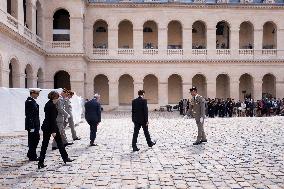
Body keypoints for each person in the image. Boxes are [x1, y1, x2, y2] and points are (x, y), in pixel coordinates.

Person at [38, 91, 73, 169]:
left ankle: (41, 162)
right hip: (50, 127)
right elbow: (52, 119)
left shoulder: (49, 104)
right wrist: (54, 131)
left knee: (48, 144)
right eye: (57, 97)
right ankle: (65, 158)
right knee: (52, 144)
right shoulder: (52, 106)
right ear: (54, 97)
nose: (58, 99)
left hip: (48, 126)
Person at [25, 88, 41, 161]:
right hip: (32, 125)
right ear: (32, 93)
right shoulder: (29, 101)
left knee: (35, 139)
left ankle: (30, 153)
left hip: (35, 124)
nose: (38, 95)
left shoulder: (32, 101)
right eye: (37, 93)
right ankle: (32, 156)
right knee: (33, 140)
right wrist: (31, 127)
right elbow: (29, 115)